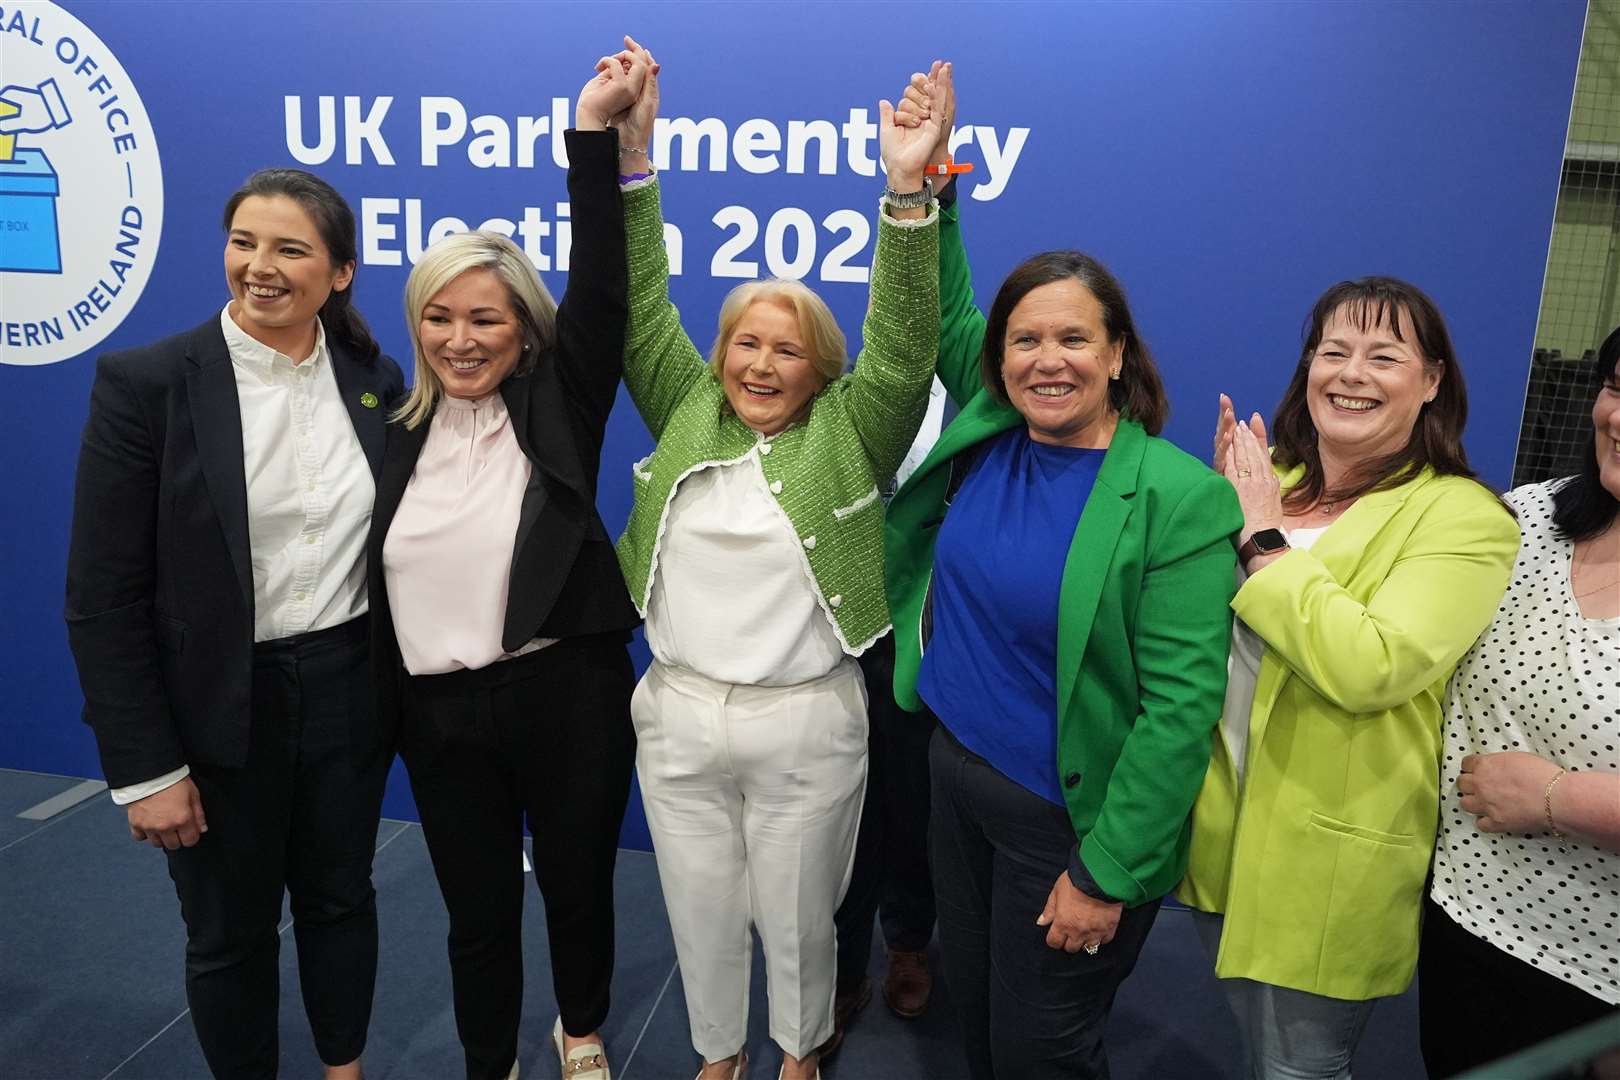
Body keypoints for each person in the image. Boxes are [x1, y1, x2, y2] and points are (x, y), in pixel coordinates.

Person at [883, 63, 1244, 1080]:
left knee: (1044, 1050)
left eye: (1075, 339)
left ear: (1119, 353)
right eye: (1025, 339)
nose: (1047, 359)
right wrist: (929, 185)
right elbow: (948, 296)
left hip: (1067, 822)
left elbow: (1179, 712)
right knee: (985, 1026)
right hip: (954, 775)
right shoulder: (995, 424)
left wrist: (1107, 872)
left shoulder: (1177, 497)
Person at [609, 40, 943, 1080]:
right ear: (719, 356)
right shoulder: (685, 408)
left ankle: (800, 1054)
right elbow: (639, 305)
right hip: (678, 711)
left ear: (822, 368)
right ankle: (719, 1056)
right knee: (699, 910)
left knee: (801, 921)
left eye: (787, 348)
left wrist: (905, 191)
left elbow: (903, 342)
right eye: (746, 343)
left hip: (804, 720)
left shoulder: (853, 427)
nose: (761, 363)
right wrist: (632, 162)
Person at [65, 167, 404, 1079]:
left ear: (339, 272)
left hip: (345, 693)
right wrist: (146, 769)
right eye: (243, 242)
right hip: (216, 710)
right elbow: (103, 597)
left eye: (290, 249)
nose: (259, 266)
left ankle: (344, 1068)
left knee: (342, 900)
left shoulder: (375, 379)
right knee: (228, 931)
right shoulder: (147, 385)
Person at [367, 53, 645, 1080]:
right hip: (440, 714)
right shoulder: (391, 426)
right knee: (476, 910)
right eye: (439, 317)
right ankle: (494, 1059)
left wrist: (592, 133)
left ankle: (581, 1032)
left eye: (485, 317)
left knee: (576, 887)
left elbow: (605, 283)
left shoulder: (558, 406)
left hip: (565, 689)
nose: (459, 337)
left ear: (525, 328)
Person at [1178, 278, 1520, 1079]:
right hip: (1222, 833)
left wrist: (1260, 539)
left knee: (1302, 1068)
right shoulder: (1274, 483)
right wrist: (1206, 516)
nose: (1350, 373)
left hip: (1329, 862)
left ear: (1432, 381)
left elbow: (1372, 666)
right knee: (1253, 1049)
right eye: (1333, 351)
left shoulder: (1463, 516)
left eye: (1383, 355)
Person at [1419, 324, 1620, 1078]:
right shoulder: (1527, 519)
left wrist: (1558, 798)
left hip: (1601, 981)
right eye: (1618, 388)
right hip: (1463, 925)